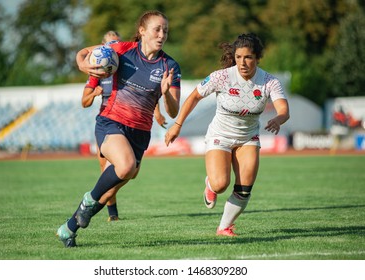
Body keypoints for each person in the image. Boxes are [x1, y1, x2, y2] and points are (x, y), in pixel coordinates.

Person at [57, 10, 181, 247]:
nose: (162, 34)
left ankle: (68, 228)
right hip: (110, 122)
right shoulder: (121, 48)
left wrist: (166, 94)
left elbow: (173, 111)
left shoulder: (170, 65)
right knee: (125, 166)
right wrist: (86, 68)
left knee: (111, 190)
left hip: (140, 132)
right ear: (142, 31)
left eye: (165, 30)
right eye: (157, 29)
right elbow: (83, 54)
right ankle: (86, 202)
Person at [165, 33, 289, 237]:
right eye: (238, 57)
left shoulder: (269, 81)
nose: (243, 62)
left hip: (248, 137)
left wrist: (278, 118)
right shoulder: (221, 77)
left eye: (248, 57)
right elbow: (194, 96)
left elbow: (284, 109)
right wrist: (177, 125)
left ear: (257, 58)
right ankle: (210, 185)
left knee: (244, 188)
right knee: (220, 184)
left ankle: (224, 227)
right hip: (220, 135)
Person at [82, 31, 168, 222]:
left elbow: (147, 94)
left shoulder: (124, 65)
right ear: (103, 47)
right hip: (109, 122)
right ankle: (110, 213)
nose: (115, 46)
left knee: (131, 172)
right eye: (110, 43)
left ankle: (93, 206)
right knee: (108, 171)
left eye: (117, 42)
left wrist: (158, 113)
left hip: (132, 124)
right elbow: (84, 102)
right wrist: (94, 93)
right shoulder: (96, 72)